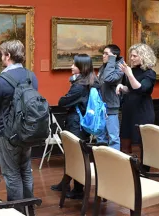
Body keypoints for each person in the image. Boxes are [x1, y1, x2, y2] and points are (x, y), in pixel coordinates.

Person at [0, 40, 37, 205]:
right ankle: (29, 208)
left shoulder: (2, 80)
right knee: (25, 170)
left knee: (12, 173)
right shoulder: (31, 76)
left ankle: (17, 211)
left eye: (2, 54)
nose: (1, 57)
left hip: (7, 133)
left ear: (8, 56)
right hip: (28, 131)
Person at [50, 54, 99, 200]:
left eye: (75, 65)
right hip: (84, 123)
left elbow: (62, 102)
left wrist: (65, 97)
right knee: (76, 154)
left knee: (75, 155)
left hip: (76, 123)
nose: (71, 67)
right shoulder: (93, 81)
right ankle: (65, 184)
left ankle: (78, 190)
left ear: (82, 67)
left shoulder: (79, 86)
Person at [117, 43, 157, 156]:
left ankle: (143, 171)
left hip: (142, 112)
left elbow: (140, 88)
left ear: (143, 57)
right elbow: (130, 89)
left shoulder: (150, 73)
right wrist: (121, 87)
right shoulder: (132, 71)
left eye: (135, 56)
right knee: (125, 142)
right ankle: (128, 171)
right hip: (128, 110)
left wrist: (129, 74)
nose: (131, 58)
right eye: (131, 56)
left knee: (142, 145)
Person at [97, 44, 124, 150]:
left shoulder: (120, 67)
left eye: (106, 54)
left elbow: (108, 78)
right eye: (103, 53)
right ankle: (102, 162)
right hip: (101, 107)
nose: (103, 56)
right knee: (100, 137)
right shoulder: (104, 66)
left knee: (113, 138)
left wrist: (111, 59)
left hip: (111, 107)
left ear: (114, 56)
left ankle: (114, 164)